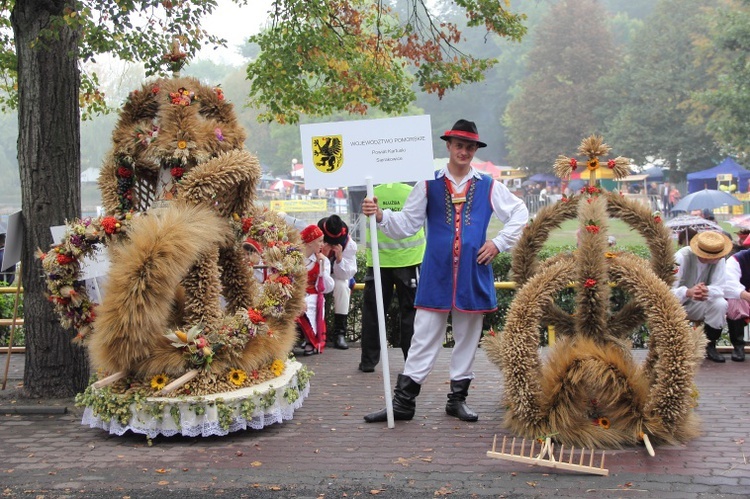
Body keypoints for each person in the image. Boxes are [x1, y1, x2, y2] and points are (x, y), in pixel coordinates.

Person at [360, 119, 529, 423]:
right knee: (423, 336)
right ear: (449, 146)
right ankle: (403, 402)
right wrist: (382, 214)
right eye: (459, 145)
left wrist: (499, 242)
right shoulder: (429, 183)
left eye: (469, 147)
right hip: (436, 274)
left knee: (466, 338)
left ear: (475, 150)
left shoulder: (489, 185)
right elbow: (407, 224)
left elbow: (520, 212)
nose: (464, 151)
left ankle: (457, 400)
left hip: (473, 272)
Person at [359, 182, 426, 373]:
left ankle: (368, 361)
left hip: (379, 263)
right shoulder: (412, 193)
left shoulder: (371, 194)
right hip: (410, 261)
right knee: (411, 315)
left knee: (373, 314)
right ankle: (412, 362)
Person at [671, 230, 732, 363]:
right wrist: (688, 292)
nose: (721, 257)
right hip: (678, 304)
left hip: (702, 302)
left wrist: (706, 291)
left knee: (720, 304)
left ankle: (710, 344)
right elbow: (667, 290)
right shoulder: (681, 257)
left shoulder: (719, 260)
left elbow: (720, 287)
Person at [317, 214, 357, 350]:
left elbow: (346, 274)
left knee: (342, 286)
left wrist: (339, 259)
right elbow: (308, 268)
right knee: (310, 289)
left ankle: (340, 333)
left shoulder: (349, 244)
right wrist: (322, 255)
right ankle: (311, 333)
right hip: (317, 276)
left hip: (337, 277)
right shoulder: (315, 241)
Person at [296, 224, 334, 355]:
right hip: (296, 294)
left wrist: (322, 268)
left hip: (313, 293)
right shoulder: (294, 259)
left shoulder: (322, 261)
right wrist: (299, 298)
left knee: (310, 305)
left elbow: (325, 288)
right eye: (320, 241)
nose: (322, 244)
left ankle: (310, 340)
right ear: (310, 243)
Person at [722, 247, 750, 362]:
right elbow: (728, 286)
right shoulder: (737, 260)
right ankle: (738, 346)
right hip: (745, 300)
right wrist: (745, 295)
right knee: (736, 301)